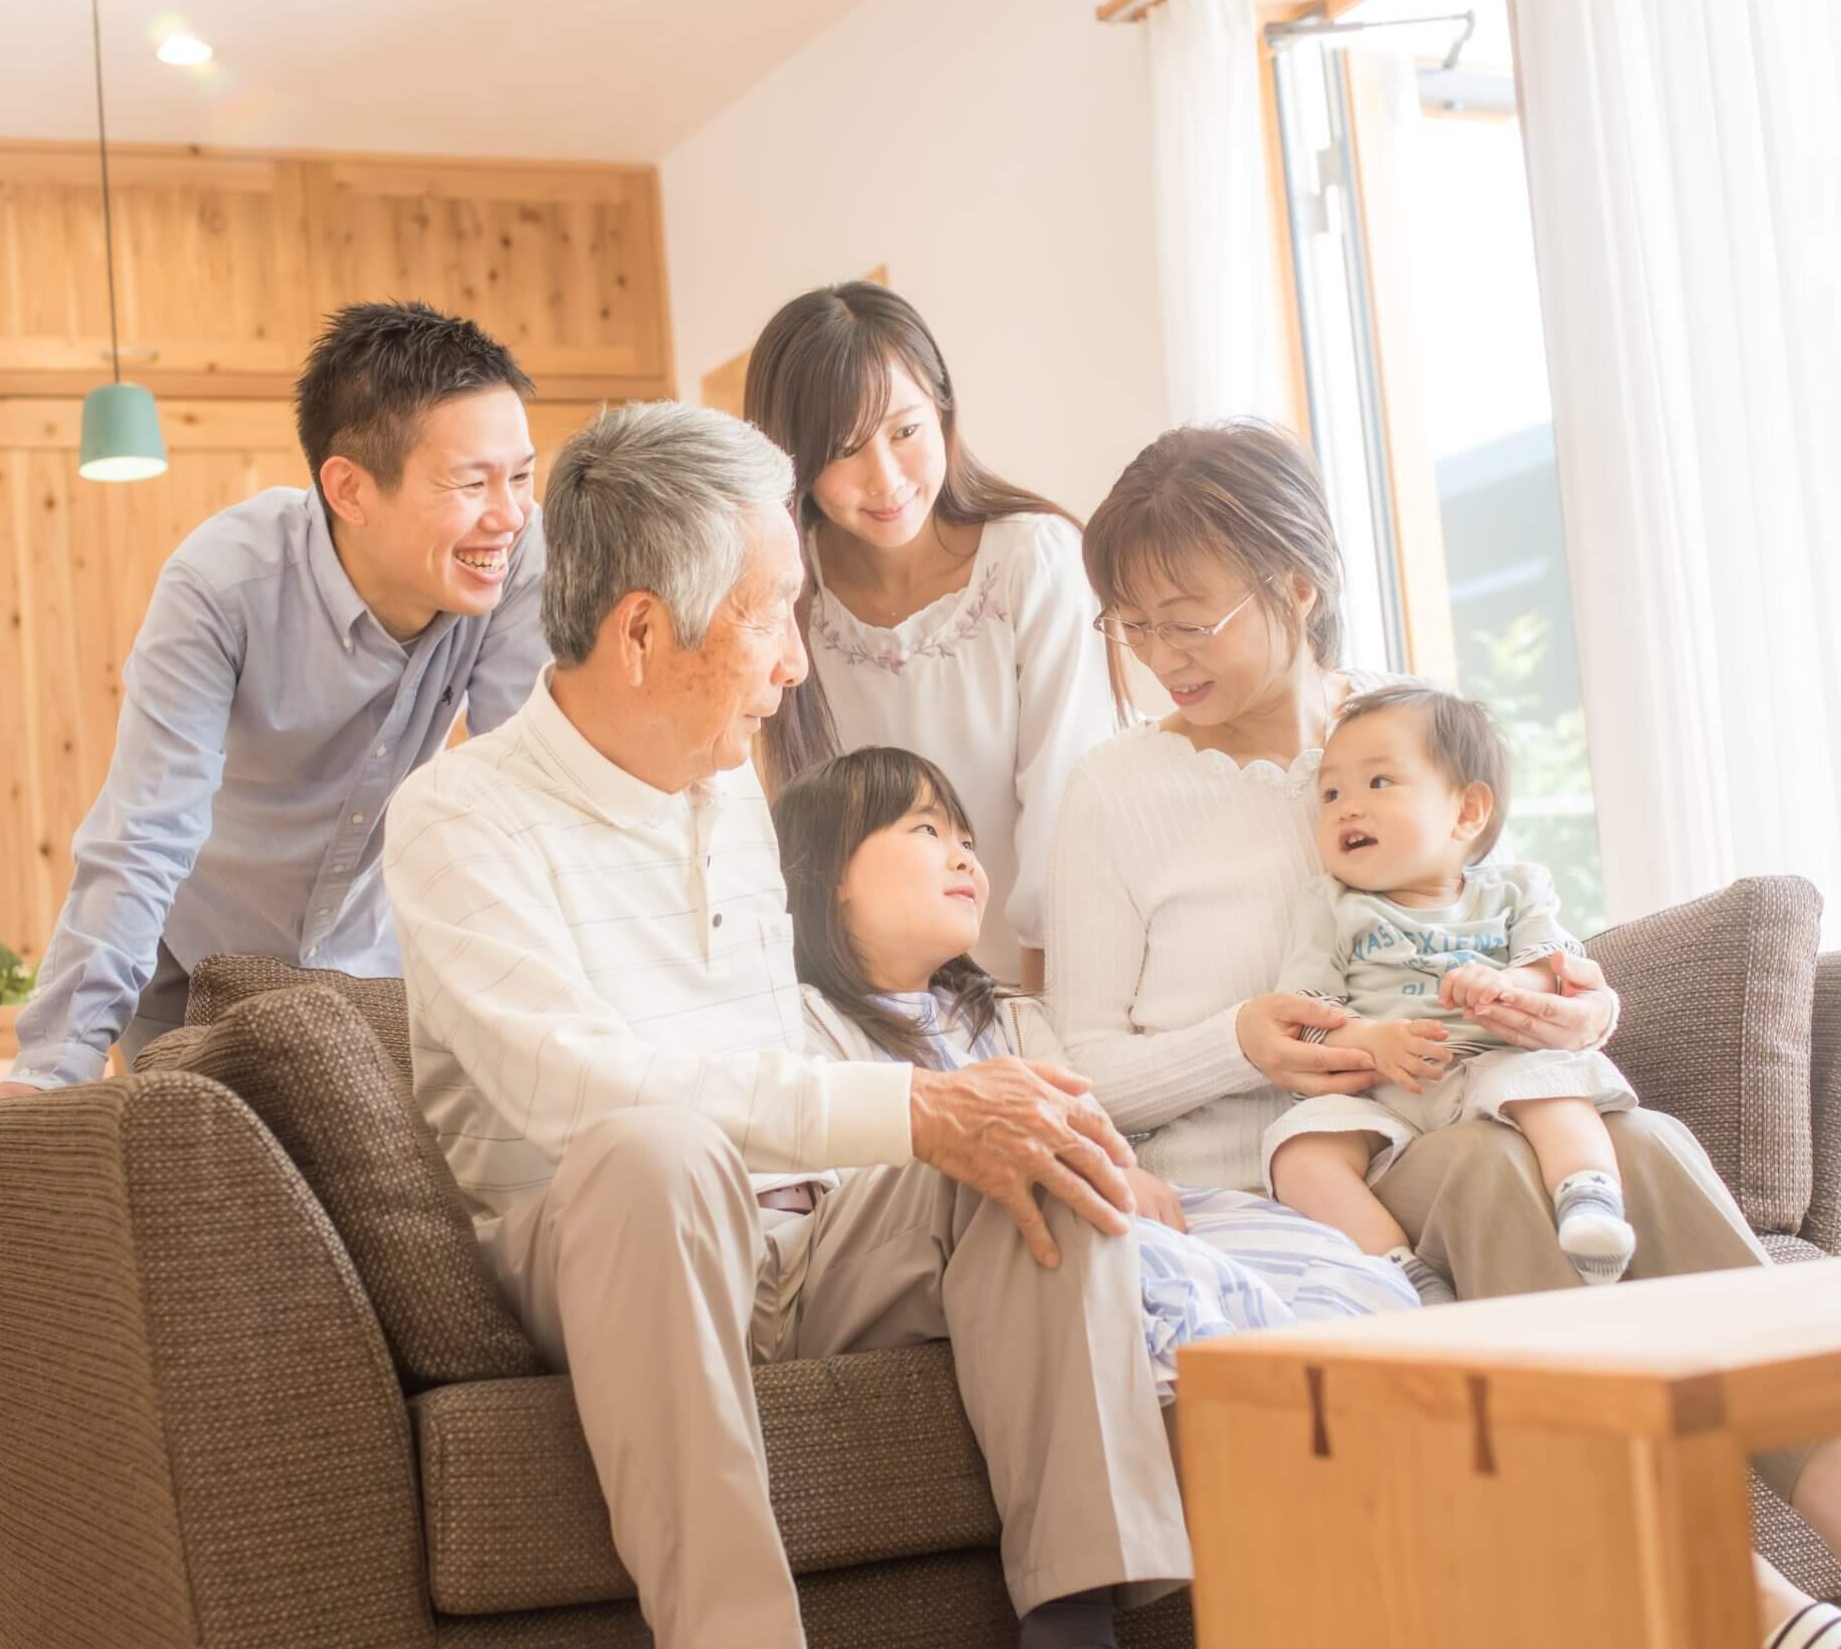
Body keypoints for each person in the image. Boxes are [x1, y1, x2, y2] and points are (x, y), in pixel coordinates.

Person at [1046, 419, 1841, 1649]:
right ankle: (1750, 1605)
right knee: (1512, 1170)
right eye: (1129, 626)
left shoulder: (1403, 733)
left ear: (1296, 586)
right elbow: (1078, 1073)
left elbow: (1522, 922)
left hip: (1465, 1091)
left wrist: (1580, 1005)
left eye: (1188, 618)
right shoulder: (1113, 792)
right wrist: (1239, 1039)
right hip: (1303, 1173)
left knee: (1642, 1142)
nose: (1158, 654)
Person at [381, 401, 1185, 1649]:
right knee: (658, 1149)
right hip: (609, 1237)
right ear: (643, 628)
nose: (796, 662)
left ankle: (1084, 1625)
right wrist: (910, 1108)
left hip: (804, 1230)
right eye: (772, 616)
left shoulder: (728, 788)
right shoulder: (457, 815)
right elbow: (567, 1088)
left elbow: (785, 1049)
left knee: (1031, 1140)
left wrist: (973, 1104)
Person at [0, 301, 548, 1144]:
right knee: (205, 1224)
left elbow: (526, 795)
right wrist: (46, 1073)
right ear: (349, 487)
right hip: (191, 972)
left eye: (522, 475)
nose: (509, 514)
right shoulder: (221, 586)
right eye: (472, 483)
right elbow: (144, 831)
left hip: (370, 964)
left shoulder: (509, 563)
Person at [773, 743, 1419, 1403]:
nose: (966, 855)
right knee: (1171, 1276)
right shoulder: (802, 1024)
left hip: (1103, 1210)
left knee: (1323, 1261)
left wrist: (1128, 1172)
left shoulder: (1008, 1018)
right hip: (981, 1239)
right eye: (927, 829)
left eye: (966, 837)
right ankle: (1264, 1404)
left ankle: (1359, 1396)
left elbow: (1092, 1124)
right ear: (831, 871)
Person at [746, 281, 1118, 988]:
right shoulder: (787, 598)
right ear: (792, 462)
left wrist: (1032, 1016)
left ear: (943, 409)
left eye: (905, 430)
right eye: (844, 449)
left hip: (1048, 982)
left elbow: (1067, 811)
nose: (885, 478)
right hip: (876, 1010)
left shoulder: (1032, 563)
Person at [1265, 684, 1639, 1303]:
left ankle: (1589, 1199)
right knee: (1299, 1156)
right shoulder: (1328, 906)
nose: (1347, 808)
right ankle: (1400, 1271)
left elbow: (1558, 971)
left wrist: (1509, 985)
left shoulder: (1516, 890)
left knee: (1555, 1087)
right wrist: (1370, 1041)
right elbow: (1305, 1014)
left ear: (1467, 812)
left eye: (1379, 783)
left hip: (1495, 1059)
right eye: (1330, 794)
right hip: (1382, 1091)